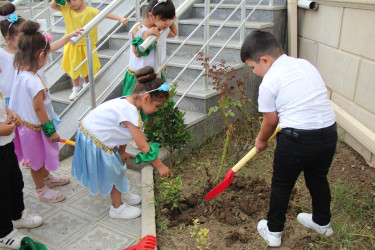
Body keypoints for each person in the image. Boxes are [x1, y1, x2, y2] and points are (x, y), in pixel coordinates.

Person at [240, 30, 337, 247]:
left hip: (297, 139)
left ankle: (273, 232)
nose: (255, 72)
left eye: (253, 67)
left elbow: (270, 121)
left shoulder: (269, 82)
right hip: (328, 134)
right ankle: (323, 224)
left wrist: (261, 140)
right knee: (318, 179)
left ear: (265, 59)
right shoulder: (304, 64)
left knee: (282, 184)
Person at [72, 66, 171, 219]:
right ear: (145, 99)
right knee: (115, 172)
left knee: (118, 165)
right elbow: (143, 146)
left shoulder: (129, 103)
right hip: (96, 140)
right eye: (157, 106)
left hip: (94, 134)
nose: (157, 110)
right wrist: (160, 166)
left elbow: (122, 131)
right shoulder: (130, 112)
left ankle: (121, 192)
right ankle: (117, 208)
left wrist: (122, 151)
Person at [9, 20, 71, 203]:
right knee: (35, 161)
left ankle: (47, 178)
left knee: (40, 156)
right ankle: (41, 190)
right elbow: (38, 107)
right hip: (34, 128)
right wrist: (50, 130)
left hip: (27, 125)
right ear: (42, 55)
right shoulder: (34, 81)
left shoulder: (20, 71)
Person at [50, 0, 128, 101]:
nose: (72, 3)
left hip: (87, 45)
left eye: (74, 0)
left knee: (87, 66)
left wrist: (120, 18)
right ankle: (75, 88)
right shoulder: (67, 9)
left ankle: (86, 83)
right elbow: (52, 5)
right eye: (69, 1)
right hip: (73, 44)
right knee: (74, 65)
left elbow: (104, 14)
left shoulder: (90, 11)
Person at [0, 89, 44, 249]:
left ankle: (17, 215)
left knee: (16, 183)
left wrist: (11, 113)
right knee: (2, 194)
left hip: (6, 145)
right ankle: (4, 234)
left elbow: (2, 107)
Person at [122, 0, 177, 97]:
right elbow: (137, 53)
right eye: (164, 20)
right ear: (151, 16)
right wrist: (146, 35)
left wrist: (171, 20)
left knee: (160, 103)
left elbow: (174, 33)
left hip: (156, 73)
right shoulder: (138, 29)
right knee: (139, 106)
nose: (167, 23)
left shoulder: (163, 27)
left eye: (170, 19)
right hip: (139, 76)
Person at [0, 3, 25, 106]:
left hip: (26, 94)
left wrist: (67, 37)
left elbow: (49, 48)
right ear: (9, 39)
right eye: (22, 37)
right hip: (10, 97)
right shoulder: (1, 53)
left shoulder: (27, 50)